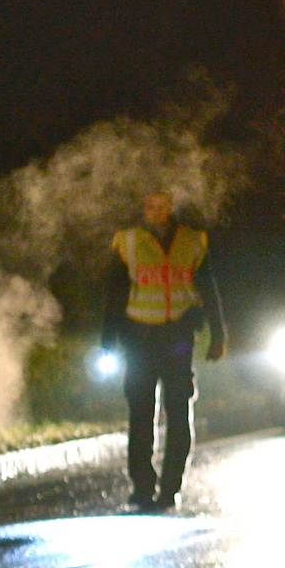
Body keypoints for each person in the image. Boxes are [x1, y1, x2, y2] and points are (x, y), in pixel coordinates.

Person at [101, 190, 226, 512]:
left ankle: (170, 488)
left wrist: (218, 333)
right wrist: (108, 338)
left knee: (178, 412)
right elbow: (115, 291)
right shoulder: (127, 241)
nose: (154, 212)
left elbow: (208, 287)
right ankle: (142, 486)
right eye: (148, 206)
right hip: (139, 337)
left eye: (160, 206)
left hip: (177, 336)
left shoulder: (193, 241)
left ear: (171, 208)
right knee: (140, 415)